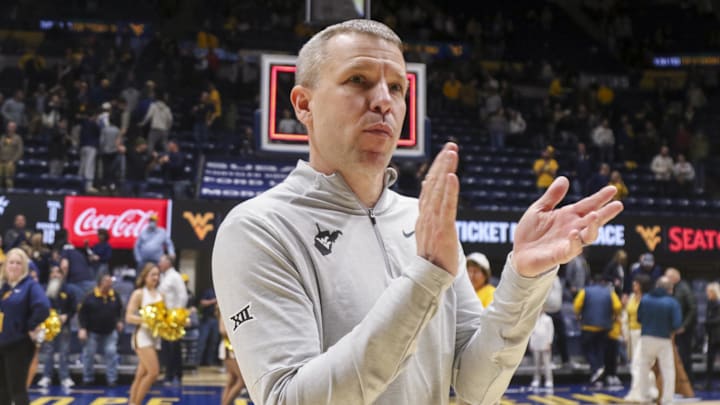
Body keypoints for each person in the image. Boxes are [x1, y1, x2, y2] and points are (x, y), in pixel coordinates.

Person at [212, 19, 623, 405]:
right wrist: (424, 277)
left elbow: (475, 388)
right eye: (359, 80)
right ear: (303, 104)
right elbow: (289, 398)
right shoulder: (257, 229)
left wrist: (524, 280)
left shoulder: (419, 220)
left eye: (396, 88)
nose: (382, 101)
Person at [0, 248, 50, 404]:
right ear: (5, 265)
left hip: (18, 344)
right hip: (1, 342)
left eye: (18, 263)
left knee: (18, 389)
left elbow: (43, 307)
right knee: (2, 389)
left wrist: (29, 326)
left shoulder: (30, 285)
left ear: (24, 267)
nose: (14, 266)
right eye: (11, 262)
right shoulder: (3, 286)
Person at [627, 276, 681, 404]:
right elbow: (677, 324)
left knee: (643, 368)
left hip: (646, 338)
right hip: (664, 339)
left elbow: (639, 318)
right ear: (670, 289)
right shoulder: (672, 302)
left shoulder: (645, 299)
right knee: (668, 370)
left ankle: (645, 397)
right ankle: (667, 400)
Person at [573, 275, 622, 387]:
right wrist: (614, 316)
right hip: (605, 326)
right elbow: (618, 306)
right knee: (600, 349)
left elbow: (576, 305)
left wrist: (578, 315)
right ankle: (599, 373)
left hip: (588, 326)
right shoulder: (609, 292)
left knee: (587, 348)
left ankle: (596, 369)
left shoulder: (585, 291)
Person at [125, 263, 164, 405]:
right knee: (153, 372)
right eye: (152, 274)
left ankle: (132, 403)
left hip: (154, 337)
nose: (156, 277)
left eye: (157, 274)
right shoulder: (139, 293)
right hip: (142, 337)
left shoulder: (160, 294)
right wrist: (147, 320)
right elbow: (128, 317)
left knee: (141, 374)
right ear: (145, 276)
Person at [78, 273, 124, 387]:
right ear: (101, 283)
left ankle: (112, 379)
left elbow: (121, 310)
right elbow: (82, 313)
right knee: (89, 354)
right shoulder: (90, 296)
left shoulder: (115, 295)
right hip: (92, 330)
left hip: (110, 330)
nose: (110, 283)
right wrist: (82, 328)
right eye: (107, 281)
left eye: (110, 281)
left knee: (111, 352)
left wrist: (119, 321)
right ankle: (88, 378)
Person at [37, 265, 77, 389]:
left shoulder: (68, 289)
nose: (55, 275)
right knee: (49, 351)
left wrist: (67, 316)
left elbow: (73, 308)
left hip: (63, 324)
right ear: (49, 275)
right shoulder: (43, 289)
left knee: (64, 352)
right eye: (53, 273)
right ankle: (46, 376)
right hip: (49, 324)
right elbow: (39, 306)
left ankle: (64, 377)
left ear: (62, 275)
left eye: (58, 272)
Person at [157, 254, 188, 386]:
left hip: (173, 317)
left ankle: (174, 375)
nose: (159, 264)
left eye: (161, 262)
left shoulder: (175, 276)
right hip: (164, 316)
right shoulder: (163, 277)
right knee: (168, 348)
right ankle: (171, 374)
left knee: (173, 348)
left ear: (168, 263)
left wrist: (177, 315)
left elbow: (183, 296)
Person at [665, 267, 697, 384]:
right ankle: (683, 383)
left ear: (674, 277)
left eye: (668, 277)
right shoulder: (675, 289)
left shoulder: (684, 288)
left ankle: (687, 383)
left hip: (684, 330)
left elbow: (693, 309)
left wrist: (684, 326)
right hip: (676, 329)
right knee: (680, 357)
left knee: (684, 357)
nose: (666, 279)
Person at [218, 308, 246, 405]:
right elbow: (222, 330)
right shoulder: (225, 308)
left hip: (235, 348)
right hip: (229, 347)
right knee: (242, 381)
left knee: (232, 379)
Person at [529, 311, 554, 389]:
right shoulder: (533, 318)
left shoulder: (548, 319)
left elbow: (551, 331)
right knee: (536, 364)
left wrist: (549, 342)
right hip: (536, 343)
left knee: (547, 364)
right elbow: (531, 332)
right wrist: (531, 343)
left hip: (545, 343)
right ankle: (536, 379)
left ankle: (549, 380)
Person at [705, 282, 720, 391]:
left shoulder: (719, 303)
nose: (707, 294)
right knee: (709, 360)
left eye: (709, 292)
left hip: (718, 336)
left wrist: (707, 322)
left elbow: (717, 320)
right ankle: (708, 384)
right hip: (711, 336)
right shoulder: (709, 303)